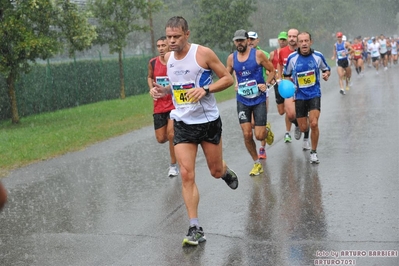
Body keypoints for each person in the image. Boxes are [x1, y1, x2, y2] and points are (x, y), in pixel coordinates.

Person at [150, 16, 238, 246]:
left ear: (187, 34)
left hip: (208, 121)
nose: (171, 41)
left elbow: (228, 79)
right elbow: (178, 87)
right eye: (168, 37)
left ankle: (225, 170)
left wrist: (206, 89)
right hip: (182, 122)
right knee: (187, 174)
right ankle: (195, 226)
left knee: (215, 171)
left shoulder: (203, 54)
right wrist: (163, 90)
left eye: (176, 37)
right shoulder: (168, 58)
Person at [226, 29, 275, 176]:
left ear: (248, 41)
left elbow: (272, 71)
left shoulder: (258, 55)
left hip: (258, 98)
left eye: (242, 40)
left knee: (259, 136)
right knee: (247, 134)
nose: (239, 43)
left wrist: (265, 84)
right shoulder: (231, 58)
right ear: (234, 42)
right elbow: (225, 75)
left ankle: (266, 131)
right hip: (242, 100)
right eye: (237, 41)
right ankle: (256, 163)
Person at [283, 31, 331, 164]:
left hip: (314, 94)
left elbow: (326, 69)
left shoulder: (318, 56)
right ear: (298, 43)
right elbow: (286, 75)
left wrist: (326, 74)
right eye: (301, 41)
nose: (304, 43)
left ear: (311, 42)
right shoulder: (292, 58)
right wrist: (289, 88)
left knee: (314, 123)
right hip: (299, 96)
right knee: (304, 127)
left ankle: (314, 152)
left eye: (306, 41)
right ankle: (299, 126)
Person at [147, 36, 179, 177]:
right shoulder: (153, 63)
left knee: (171, 134)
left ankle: (173, 166)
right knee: (161, 138)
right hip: (159, 105)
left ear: (168, 47)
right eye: (158, 46)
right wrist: (151, 89)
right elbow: (150, 77)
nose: (160, 48)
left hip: (173, 104)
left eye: (163, 45)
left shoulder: (175, 62)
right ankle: (180, 136)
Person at [277, 29, 310, 149]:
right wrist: (280, 78)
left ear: (298, 38)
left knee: (305, 113)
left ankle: (306, 139)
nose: (291, 39)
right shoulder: (282, 52)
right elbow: (280, 64)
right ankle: (297, 124)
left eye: (294, 36)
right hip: (289, 86)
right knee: (290, 114)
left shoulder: (304, 51)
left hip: (303, 86)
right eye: (289, 36)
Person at [247, 31, 274, 159]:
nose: (250, 41)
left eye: (253, 39)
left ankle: (262, 149)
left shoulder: (264, 54)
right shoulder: (241, 55)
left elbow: (271, 70)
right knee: (252, 124)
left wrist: (269, 82)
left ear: (258, 41)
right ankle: (266, 130)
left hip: (261, 91)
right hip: (246, 92)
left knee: (259, 121)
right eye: (248, 39)